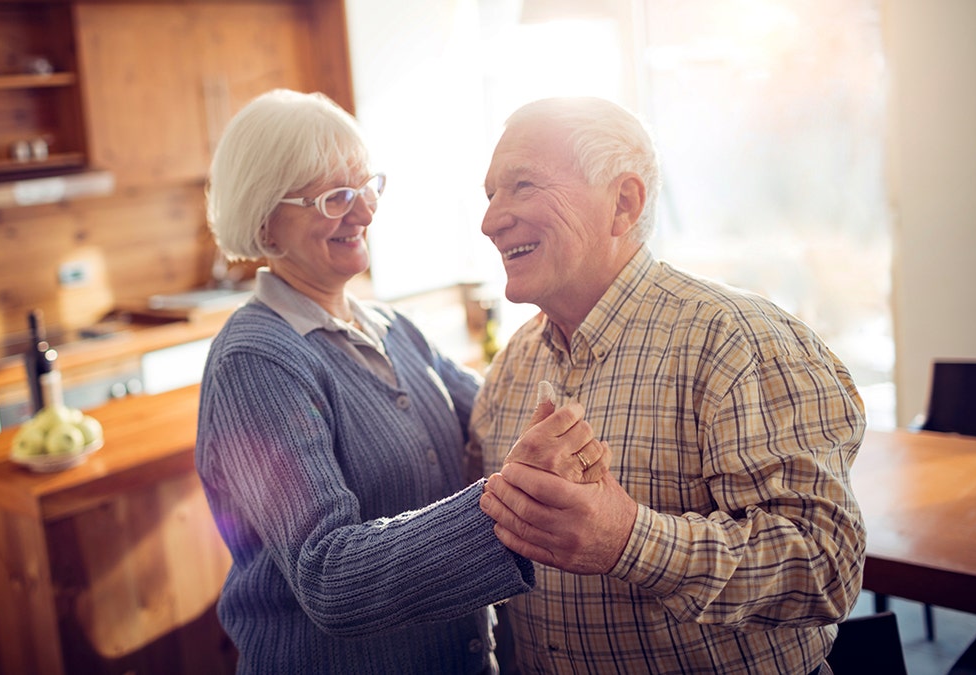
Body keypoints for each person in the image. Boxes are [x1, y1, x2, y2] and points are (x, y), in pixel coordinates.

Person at [193, 89, 605, 675]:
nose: (362, 212)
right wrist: (510, 508)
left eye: (366, 187)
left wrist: (572, 318)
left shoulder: (391, 327)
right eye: (335, 197)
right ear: (265, 217)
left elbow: (495, 418)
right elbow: (327, 575)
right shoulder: (257, 360)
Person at [472, 96, 867, 674]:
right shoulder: (510, 367)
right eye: (490, 195)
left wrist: (628, 539)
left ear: (623, 203)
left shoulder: (738, 339)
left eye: (522, 185)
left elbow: (827, 569)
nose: (490, 221)